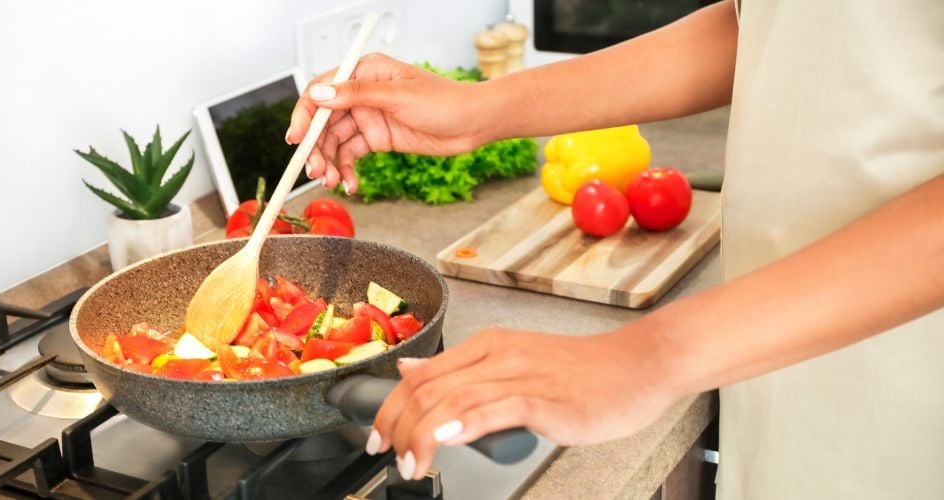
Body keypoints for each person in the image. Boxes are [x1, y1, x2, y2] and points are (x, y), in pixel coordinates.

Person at [286, 1, 944, 497]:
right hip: (771, 350)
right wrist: (480, 110)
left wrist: (654, 354)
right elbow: (771, 26)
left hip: (909, 385)